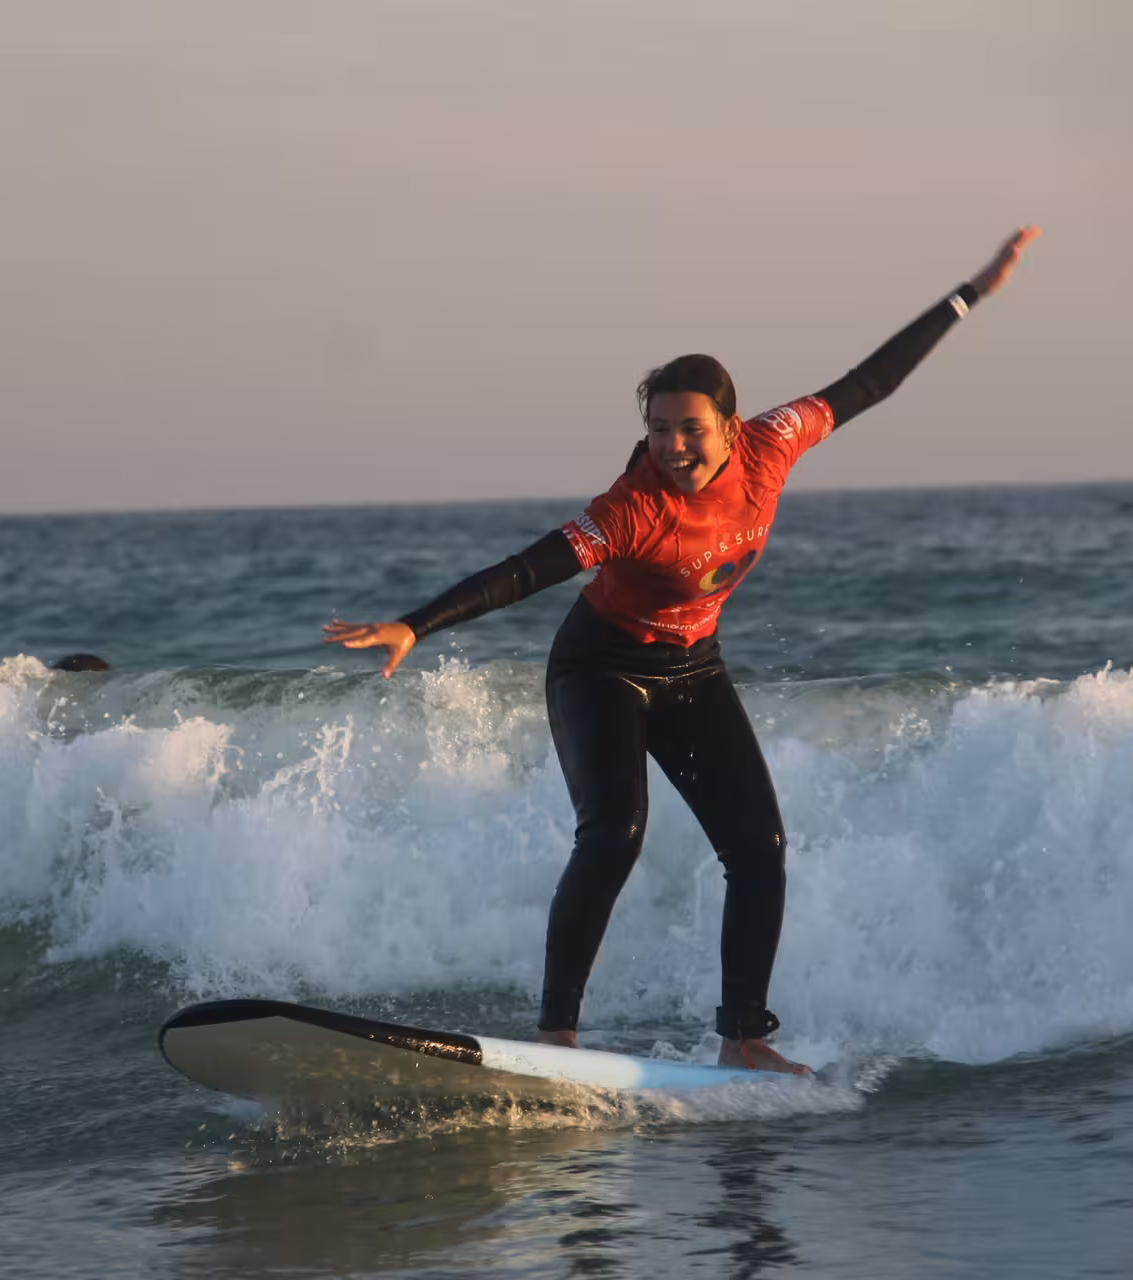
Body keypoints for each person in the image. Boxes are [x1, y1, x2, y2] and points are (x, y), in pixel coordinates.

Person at [325, 227, 1040, 1072]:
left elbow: (870, 382)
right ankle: (557, 1037)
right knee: (616, 832)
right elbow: (526, 571)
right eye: (659, 430)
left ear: (731, 427)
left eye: (690, 429)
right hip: (599, 667)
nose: (673, 446)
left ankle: (742, 1040)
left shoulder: (775, 444)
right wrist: (417, 622)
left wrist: (971, 292)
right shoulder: (631, 509)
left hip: (692, 669)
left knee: (760, 851)